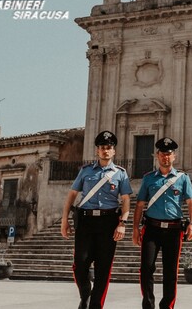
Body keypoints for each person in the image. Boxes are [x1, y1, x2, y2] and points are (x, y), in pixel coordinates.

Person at [61, 131, 132, 309]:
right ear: (97, 151)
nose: (105, 151)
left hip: (108, 222)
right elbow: (72, 195)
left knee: (103, 268)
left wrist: (122, 224)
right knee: (80, 263)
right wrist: (64, 219)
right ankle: (85, 292)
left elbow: (126, 201)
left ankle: (95, 305)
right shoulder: (85, 171)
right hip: (85, 221)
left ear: (114, 151)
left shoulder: (121, 174)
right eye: (102, 148)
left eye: (109, 148)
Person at [133, 137, 192, 309]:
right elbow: (140, 205)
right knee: (146, 269)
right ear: (157, 155)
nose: (165, 157)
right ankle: (148, 305)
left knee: (171, 273)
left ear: (174, 156)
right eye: (162, 154)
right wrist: (135, 228)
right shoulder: (148, 179)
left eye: (169, 154)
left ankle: (167, 306)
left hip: (174, 230)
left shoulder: (183, 178)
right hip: (151, 229)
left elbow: (191, 203)